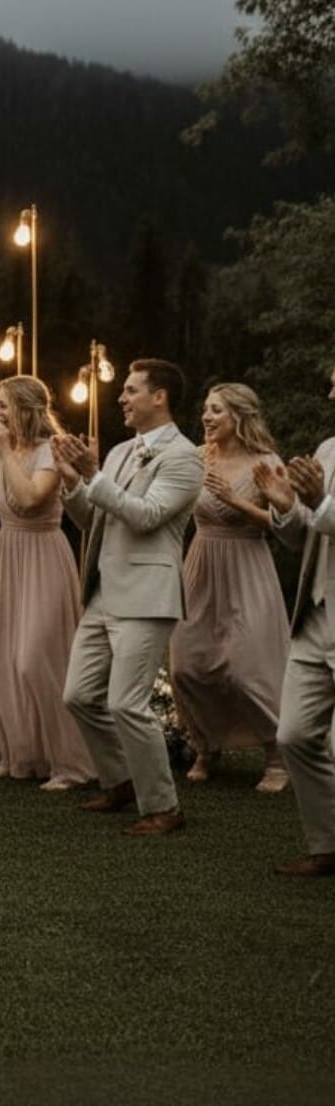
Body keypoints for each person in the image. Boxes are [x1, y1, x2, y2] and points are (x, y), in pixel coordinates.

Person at [54, 358, 204, 836]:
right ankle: (120, 780)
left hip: (145, 596)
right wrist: (73, 483)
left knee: (126, 703)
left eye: (131, 390)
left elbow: (145, 516)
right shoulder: (120, 452)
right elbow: (92, 521)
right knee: (79, 695)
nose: (122, 398)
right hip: (102, 592)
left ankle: (164, 807)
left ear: (159, 397)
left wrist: (93, 477)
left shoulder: (185, 457)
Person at [0, 376, 93, 788]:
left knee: (36, 659)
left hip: (44, 556)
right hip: (9, 557)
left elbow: (29, 499)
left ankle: (70, 763)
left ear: (25, 410)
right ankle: (20, 754)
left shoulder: (49, 451)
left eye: (3, 405)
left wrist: (5, 450)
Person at [170, 383, 288, 792]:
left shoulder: (265, 462)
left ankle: (276, 755)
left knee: (245, 670)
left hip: (247, 565)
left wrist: (235, 501)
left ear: (238, 416)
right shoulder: (196, 458)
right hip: (200, 564)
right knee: (187, 663)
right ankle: (206, 745)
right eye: (205, 408)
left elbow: (284, 526)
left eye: (216, 410)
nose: (206, 416)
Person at [256, 361, 335, 877]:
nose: (330, 389)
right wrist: (287, 508)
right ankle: (327, 844)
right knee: (293, 736)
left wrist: (319, 502)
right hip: (316, 614)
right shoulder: (328, 448)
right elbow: (310, 531)